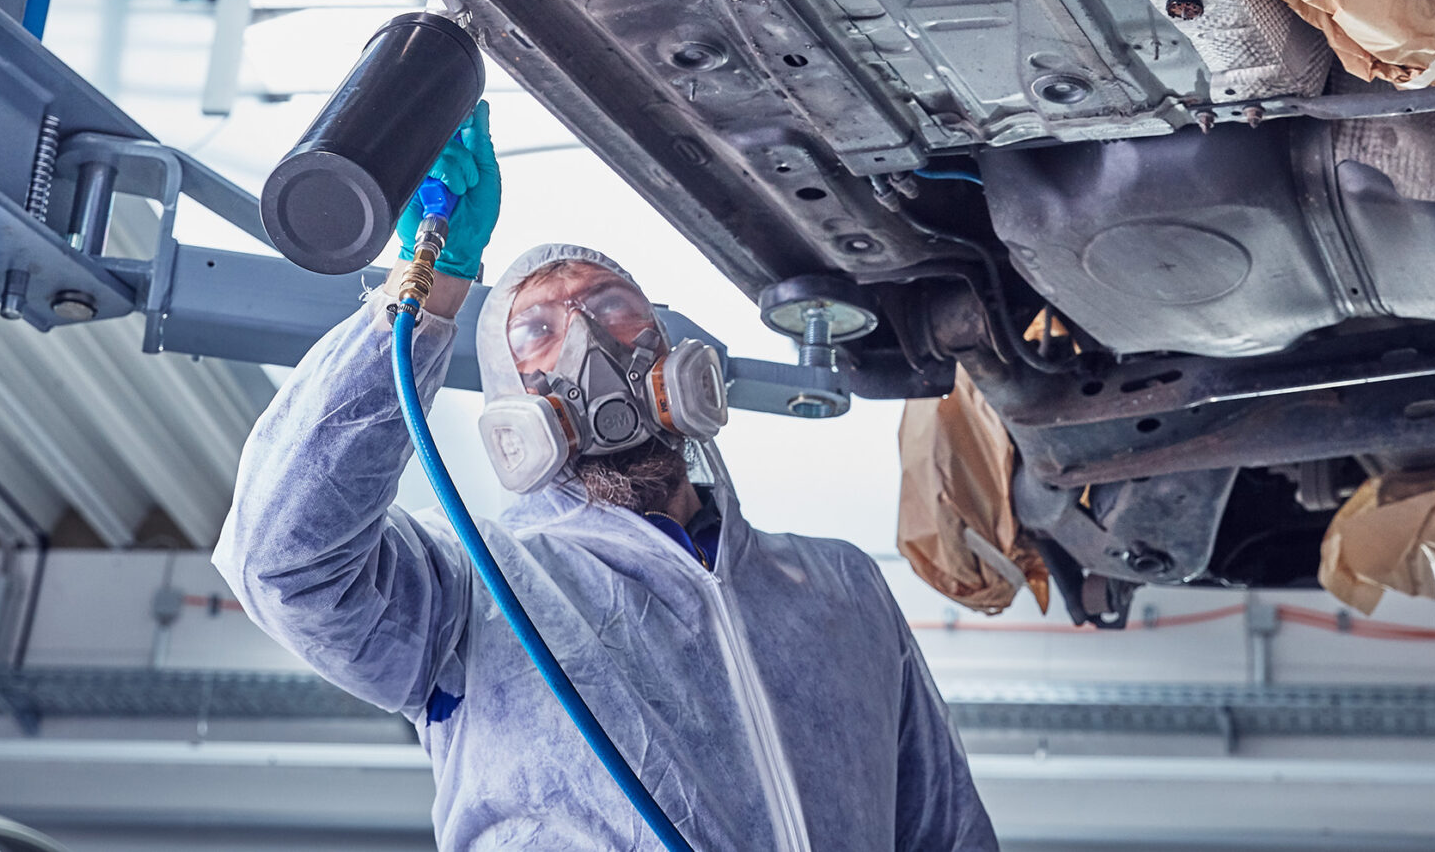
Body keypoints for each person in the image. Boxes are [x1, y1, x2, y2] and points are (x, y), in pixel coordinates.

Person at [215, 104, 997, 851]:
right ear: (512, 405)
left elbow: (946, 830)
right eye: (537, 328)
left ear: (674, 358)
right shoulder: (475, 588)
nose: (586, 339)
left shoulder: (843, 586)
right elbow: (286, 560)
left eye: (611, 304)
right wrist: (437, 280)